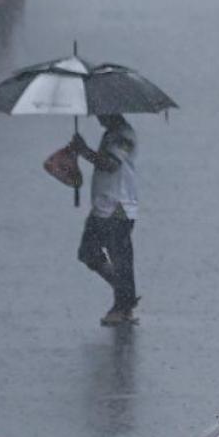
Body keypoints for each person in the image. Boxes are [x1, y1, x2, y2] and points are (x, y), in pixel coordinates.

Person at [71, 114, 139, 326]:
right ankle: (125, 294)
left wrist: (85, 152)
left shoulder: (123, 136)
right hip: (103, 205)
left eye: (101, 111)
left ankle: (122, 305)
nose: (98, 116)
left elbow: (111, 164)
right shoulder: (110, 134)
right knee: (88, 252)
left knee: (120, 258)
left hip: (118, 207)